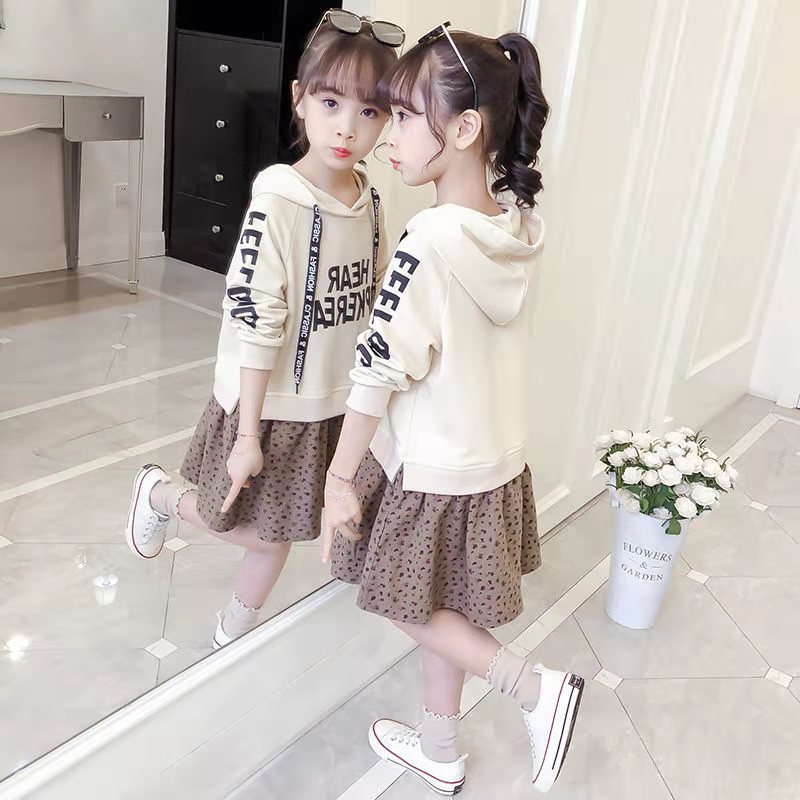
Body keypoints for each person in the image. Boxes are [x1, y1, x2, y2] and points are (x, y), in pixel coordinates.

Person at [322, 23, 583, 795]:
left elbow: (379, 365)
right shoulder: (513, 225)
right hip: (492, 462)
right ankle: (439, 748)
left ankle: (534, 690)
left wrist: (339, 476)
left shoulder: (428, 239)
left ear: (465, 129)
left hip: (433, 468)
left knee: (397, 595)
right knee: (446, 605)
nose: (389, 135)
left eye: (406, 116)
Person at [124, 10, 403, 649]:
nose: (347, 127)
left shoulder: (371, 199)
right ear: (299, 98)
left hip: (329, 404)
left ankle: (233, 631)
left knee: (283, 533)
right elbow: (255, 316)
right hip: (271, 406)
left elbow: (372, 303)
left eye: (369, 112)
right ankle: (162, 497)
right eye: (330, 103)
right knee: (255, 527)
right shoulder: (279, 196)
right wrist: (248, 433)